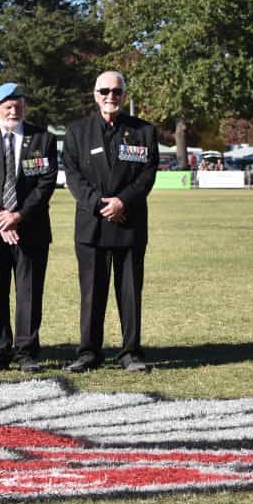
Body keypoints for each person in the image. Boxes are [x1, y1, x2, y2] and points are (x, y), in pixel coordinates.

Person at [63, 71, 158, 373]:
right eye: (104, 91)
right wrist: (98, 204)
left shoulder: (144, 131)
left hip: (129, 223)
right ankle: (88, 352)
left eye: (116, 91)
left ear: (124, 95)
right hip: (92, 224)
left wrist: (121, 202)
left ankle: (131, 352)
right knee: (92, 294)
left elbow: (147, 175)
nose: (110, 96)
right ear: (95, 95)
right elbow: (73, 175)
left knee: (130, 293)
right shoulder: (77, 131)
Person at [0, 83, 58, 373]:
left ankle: (26, 351)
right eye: (6, 104)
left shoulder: (43, 138)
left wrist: (17, 216)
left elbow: (46, 182)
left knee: (29, 291)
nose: (13, 109)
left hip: (30, 227)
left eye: (18, 103)